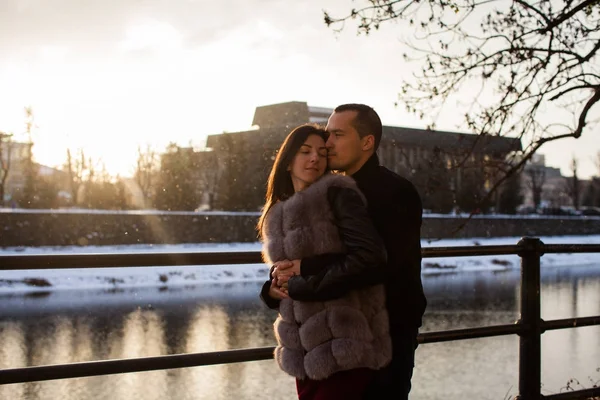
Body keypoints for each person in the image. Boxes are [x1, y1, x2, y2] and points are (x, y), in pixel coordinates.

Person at [273, 104, 427, 400]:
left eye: (338, 135)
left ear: (367, 142)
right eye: (327, 134)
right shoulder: (327, 190)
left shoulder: (393, 191)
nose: (328, 143)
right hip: (334, 341)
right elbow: (319, 254)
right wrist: (280, 279)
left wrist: (301, 280)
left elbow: (374, 264)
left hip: (385, 335)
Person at [258, 124, 393, 400]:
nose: (315, 159)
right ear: (287, 161)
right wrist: (271, 290)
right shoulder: (277, 212)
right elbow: (287, 272)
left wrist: (302, 276)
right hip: (303, 353)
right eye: (305, 151)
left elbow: (368, 257)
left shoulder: (337, 194)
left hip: (343, 344)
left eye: (322, 153)